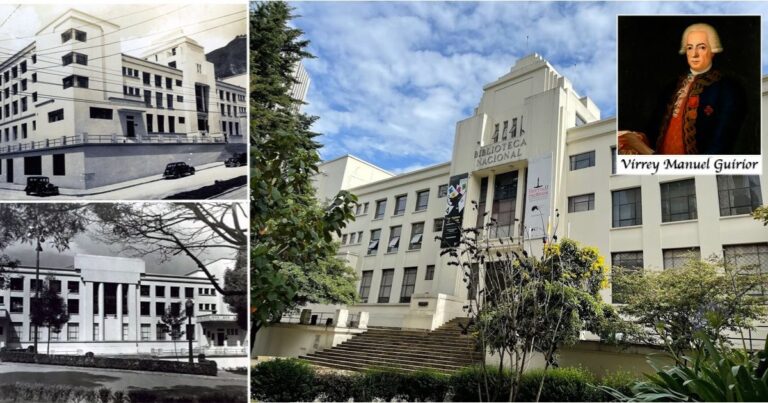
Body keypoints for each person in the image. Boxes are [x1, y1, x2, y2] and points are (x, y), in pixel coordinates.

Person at [619, 23, 745, 155]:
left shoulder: (728, 89)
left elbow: (720, 145)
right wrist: (638, 140)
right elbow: (653, 132)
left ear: (713, 51)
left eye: (702, 47)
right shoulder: (671, 88)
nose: (694, 54)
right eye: (690, 48)